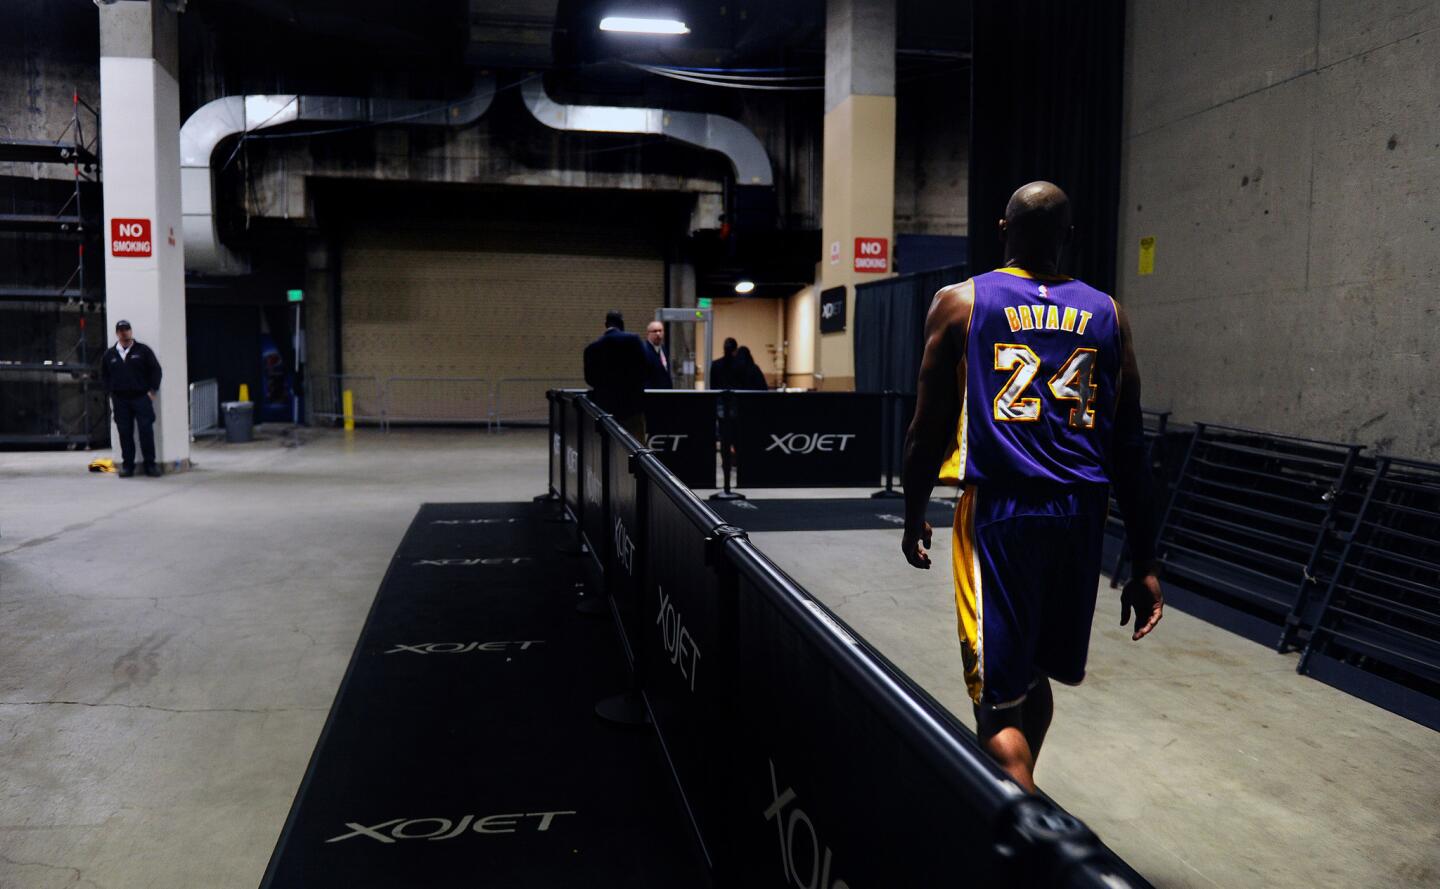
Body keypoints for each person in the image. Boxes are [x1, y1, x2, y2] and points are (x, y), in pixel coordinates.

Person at [899, 181, 1163, 793]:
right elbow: (1130, 447)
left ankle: (1024, 828)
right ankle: (1023, 792)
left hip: (1003, 510)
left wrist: (914, 512)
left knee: (995, 705)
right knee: (1036, 675)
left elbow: (925, 429)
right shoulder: (1110, 313)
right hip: (1081, 514)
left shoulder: (961, 302)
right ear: (1068, 238)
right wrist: (1146, 559)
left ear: (1002, 230)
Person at [99, 319, 163, 478]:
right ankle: (128, 466)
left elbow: (155, 370)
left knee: (146, 431)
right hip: (120, 400)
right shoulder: (110, 355)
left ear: (131, 331)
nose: (124, 332)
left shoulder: (143, 351)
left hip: (141, 397)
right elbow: (104, 376)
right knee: (124, 432)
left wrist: (152, 390)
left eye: (127, 329)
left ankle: (150, 465)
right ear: (117, 333)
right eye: (121, 330)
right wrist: (110, 392)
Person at [583, 310, 650, 439]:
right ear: (622, 323)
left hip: (605, 408)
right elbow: (645, 369)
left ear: (606, 324)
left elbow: (590, 379)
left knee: (608, 446)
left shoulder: (592, 348)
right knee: (635, 446)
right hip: (632, 407)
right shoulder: (633, 340)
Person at [643, 320, 672, 389]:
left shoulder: (664, 349)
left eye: (660, 331)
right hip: (651, 393)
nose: (658, 333)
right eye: (655, 331)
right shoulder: (643, 350)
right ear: (648, 333)